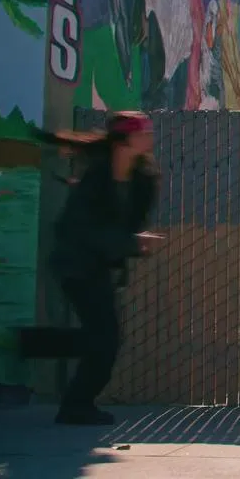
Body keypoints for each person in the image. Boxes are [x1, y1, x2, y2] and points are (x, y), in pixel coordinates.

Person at [33, 111, 161, 425]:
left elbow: (129, 226)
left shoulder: (143, 180)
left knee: (102, 336)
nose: (149, 137)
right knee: (105, 337)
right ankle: (76, 404)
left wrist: (134, 241)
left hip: (99, 267)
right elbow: (82, 231)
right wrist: (131, 242)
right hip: (75, 265)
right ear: (123, 141)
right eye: (142, 133)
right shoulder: (96, 179)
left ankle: (72, 396)